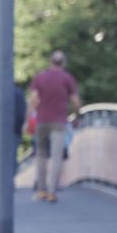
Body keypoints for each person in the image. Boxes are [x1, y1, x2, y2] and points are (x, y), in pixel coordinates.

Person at [26, 50, 81, 203]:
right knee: (57, 156)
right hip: (59, 122)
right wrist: (77, 116)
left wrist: (29, 119)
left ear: (50, 62)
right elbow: (75, 101)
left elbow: (33, 100)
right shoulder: (67, 78)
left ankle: (41, 191)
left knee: (41, 155)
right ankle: (52, 192)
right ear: (64, 63)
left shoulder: (40, 78)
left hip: (42, 121)